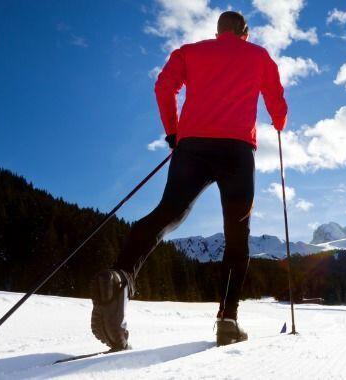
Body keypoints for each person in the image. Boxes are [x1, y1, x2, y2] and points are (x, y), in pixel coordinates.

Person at [90, 11, 287, 350]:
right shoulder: (258, 55)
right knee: (237, 237)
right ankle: (228, 320)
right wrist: (280, 121)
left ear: (217, 31)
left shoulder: (190, 51)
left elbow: (164, 86)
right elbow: (277, 103)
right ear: (244, 32)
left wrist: (173, 132)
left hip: (192, 148)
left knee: (167, 214)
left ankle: (120, 276)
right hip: (238, 152)